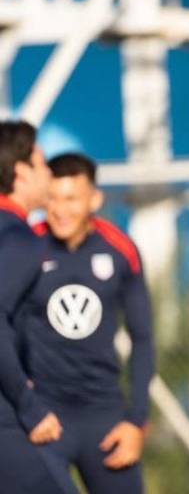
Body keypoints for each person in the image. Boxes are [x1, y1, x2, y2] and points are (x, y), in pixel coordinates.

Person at [21, 152, 154, 494]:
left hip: (105, 418)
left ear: (94, 199)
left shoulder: (121, 250)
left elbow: (142, 340)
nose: (60, 210)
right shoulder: (24, 245)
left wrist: (135, 423)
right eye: (52, 198)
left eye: (71, 199)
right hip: (44, 419)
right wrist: (25, 405)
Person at [0, 120, 75, 493]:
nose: (50, 174)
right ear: (21, 172)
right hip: (10, 418)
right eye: (43, 164)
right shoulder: (19, 240)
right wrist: (30, 407)